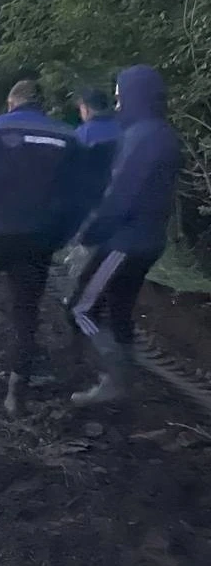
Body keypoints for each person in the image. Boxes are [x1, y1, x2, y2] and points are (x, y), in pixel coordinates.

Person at [0, 79, 82, 415]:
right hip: (37, 240)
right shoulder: (67, 137)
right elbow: (75, 198)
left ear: (12, 102)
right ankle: (16, 392)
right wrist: (56, 238)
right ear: (40, 104)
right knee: (25, 314)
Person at [69, 65, 183, 405]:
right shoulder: (160, 133)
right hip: (148, 240)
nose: (117, 107)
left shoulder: (142, 138)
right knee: (118, 307)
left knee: (80, 309)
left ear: (136, 97)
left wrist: (88, 234)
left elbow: (119, 195)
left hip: (125, 241)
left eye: (120, 99)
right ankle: (126, 378)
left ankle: (114, 379)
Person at [75, 87, 122, 219]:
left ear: (86, 108)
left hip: (92, 203)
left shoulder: (81, 135)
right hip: (124, 196)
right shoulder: (123, 127)